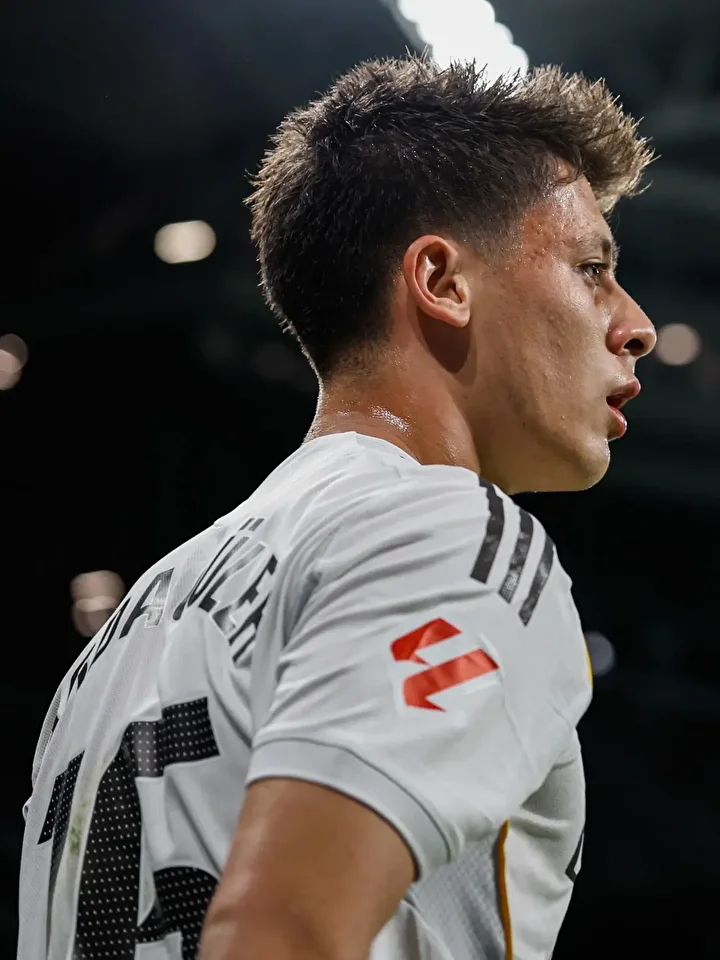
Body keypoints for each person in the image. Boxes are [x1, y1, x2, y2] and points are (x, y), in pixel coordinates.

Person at [18, 56, 656, 960]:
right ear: (442, 280)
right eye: (591, 267)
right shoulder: (446, 533)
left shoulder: (125, 633)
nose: (636, 325)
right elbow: (281, 934)